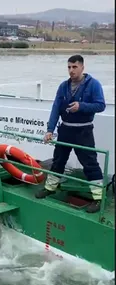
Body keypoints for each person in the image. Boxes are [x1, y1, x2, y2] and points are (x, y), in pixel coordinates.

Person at [35, 55, 106, 213]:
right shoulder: (63, 86)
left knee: (89, 163)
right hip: (65, 129)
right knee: (59, 160)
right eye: (69, 67)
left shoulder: (93, 85)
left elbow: (101, 105)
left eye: (74, 67)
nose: (71, 70)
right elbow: (55, 108)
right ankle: (50, 187)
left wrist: (81, 106)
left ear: (82, 67)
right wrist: (49, 130)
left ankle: (98, 197)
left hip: (83, 130)